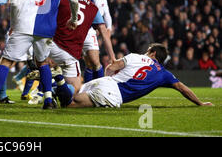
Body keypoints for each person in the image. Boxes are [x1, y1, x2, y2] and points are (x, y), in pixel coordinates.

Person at [57, 43, 213, 108]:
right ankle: (57, 81)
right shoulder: (164, 74)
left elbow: (112, 68)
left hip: (105, 82)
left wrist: (109, 73)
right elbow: (182, 88)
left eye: (148, 50)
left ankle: (57, 83)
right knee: (71, 104)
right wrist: (200, 103)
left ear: (152, 53)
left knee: (73, 94)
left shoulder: (135, 56)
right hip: (112, 94)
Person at [48, 0, 115, 94]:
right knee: (75, 91)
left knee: (43, 64)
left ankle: (49, 88)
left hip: (53, 45)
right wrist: (112, 56)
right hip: (72, 53)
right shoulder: (93, 9)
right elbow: (103, 32)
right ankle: (53, 87)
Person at [70, 0, 112, 82]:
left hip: (87, 28)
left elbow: (97, 10)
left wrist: (101, 27)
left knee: (93, 61)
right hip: (69, 27)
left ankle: (99, 90)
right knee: (61, 61)